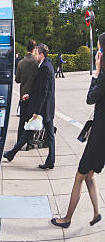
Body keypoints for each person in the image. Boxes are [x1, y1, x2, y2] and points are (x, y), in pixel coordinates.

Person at [51, 33, 105, 229]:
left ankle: (67, 219)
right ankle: (97, 213)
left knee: (79, 177)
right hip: (101, 138)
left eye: (99, 49)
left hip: (99, 137)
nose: (97, 53)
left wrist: (97, 73)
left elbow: (90, 98)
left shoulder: (104, 76)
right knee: (89, 176)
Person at [3, 43, 56, 169]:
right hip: (46, 106)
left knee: (33, 131)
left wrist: (36, 111)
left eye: (37, 53)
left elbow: (43, 92)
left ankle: (12, 153)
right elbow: (40, 88)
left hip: (43, 108)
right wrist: (30, 95)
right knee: (36, 132)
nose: (35, 55)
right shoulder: (46, 64)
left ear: (41, 54)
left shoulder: (45, 68)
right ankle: (12, 153)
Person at [15, 39, 39, 143]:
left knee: (22, 121)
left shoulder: (21, 62)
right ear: (35, 49)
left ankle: (19, 141)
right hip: (33, 96)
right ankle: (29, 141)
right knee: (31, 120)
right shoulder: (37, 62)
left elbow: (17, 80)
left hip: (23, 95)